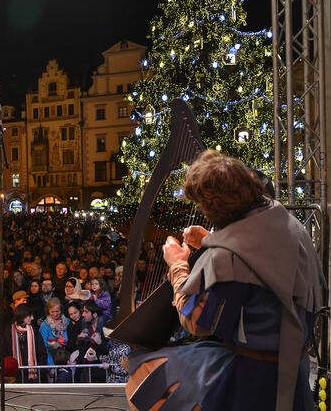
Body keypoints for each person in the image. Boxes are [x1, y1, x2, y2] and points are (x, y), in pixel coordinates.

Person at [126, 151, 325, 411]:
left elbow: (193, 321)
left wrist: (178, 265)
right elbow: (264, 263)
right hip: (293, 363)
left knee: (145, 376)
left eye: (201, 205)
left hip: (256, 377)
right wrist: (210, 239)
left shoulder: (226, 257)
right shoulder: (287, 222)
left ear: (212, 206)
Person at [0, 304, 47, 383]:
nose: (32, 318)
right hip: (14, 377)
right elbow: (3, 353)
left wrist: (40, 372)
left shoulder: (34, 331)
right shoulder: (8, 331)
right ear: (22, 316)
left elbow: (42, 353)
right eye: (30, 315)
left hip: (33, 376)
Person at [39, 297, 69, 367]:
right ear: (48, 311)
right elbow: (43, 346)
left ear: (61, 310)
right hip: (51, 361)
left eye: (57, 311)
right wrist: (50, 366)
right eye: (52, 311)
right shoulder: (45, 325)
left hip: (67, 360)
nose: (55, 314)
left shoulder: (67, 322)